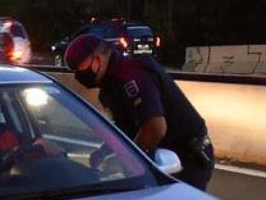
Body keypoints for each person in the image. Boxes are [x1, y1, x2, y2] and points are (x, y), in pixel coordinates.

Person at [65, 33, 214, 190]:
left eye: (79, 68)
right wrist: (104, 152)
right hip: (160, 155)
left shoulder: (133, 74)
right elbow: (125, 128)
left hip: (186, 158)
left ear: (97, 59)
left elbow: (155, 128)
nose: (78, 76)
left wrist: (127, 159)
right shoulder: (110, 87)